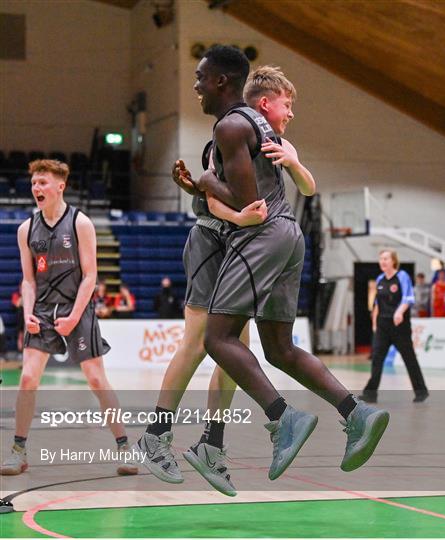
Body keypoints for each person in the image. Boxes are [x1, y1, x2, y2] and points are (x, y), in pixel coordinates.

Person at [135, 46, 389, 495]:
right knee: (217, 343)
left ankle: (206, 438)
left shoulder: (249, 131)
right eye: (287, 103)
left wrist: (210, 186)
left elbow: (244, 197)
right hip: (219, 240)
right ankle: (170, 436)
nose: (290, 112)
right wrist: (216, 196)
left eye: (200, 77)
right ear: (263, 100)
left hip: (250, 238)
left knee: (227, 343)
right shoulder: (237, 131)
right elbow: (227, 203)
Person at [0, 159, 137, 476]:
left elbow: (91, 277)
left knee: (95, 378)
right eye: (34, 183)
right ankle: (18, 452)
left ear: (60, 185)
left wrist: (75, 316)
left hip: (78, 306)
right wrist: (28, 314)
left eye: (43, 182)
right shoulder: (26, 229)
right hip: (43, 310)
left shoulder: (81, 223)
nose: (37, 188)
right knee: (27, 378)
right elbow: (28, 281)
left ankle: (125, 449)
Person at [360, 249, 429, 403]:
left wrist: (399, 312)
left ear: (393, 261)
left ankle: (421, 391)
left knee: (409, 358)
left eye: (386, 258)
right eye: (381, 259)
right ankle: (371, 393)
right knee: (377, 358)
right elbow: (377, 304)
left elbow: (408, 298)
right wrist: (374, 323)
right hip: (383, 326)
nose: (382, 261)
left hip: (400, 325)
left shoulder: (402, 276)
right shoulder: (379, 279)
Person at [11, 285, 24, 353]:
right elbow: (16, 304)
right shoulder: (16, 295)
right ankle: (20, 352)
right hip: (20, 320)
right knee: (20, 336)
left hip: (28, 320)